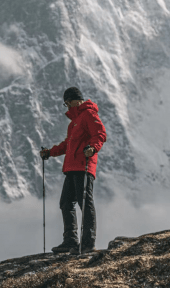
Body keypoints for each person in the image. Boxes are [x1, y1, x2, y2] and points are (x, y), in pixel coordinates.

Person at [40, 87, 106, 254]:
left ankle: (87, 243)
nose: (67, 107)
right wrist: (50, 152)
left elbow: (100, 134)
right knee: (66, 203)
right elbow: (67, 145)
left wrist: (92, 147)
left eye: (68, 103)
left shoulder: (89, 114)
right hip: (72, 168)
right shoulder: (74, 123)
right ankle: (70, 241)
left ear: (76, 100)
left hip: (83, 166)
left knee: (85, 203)